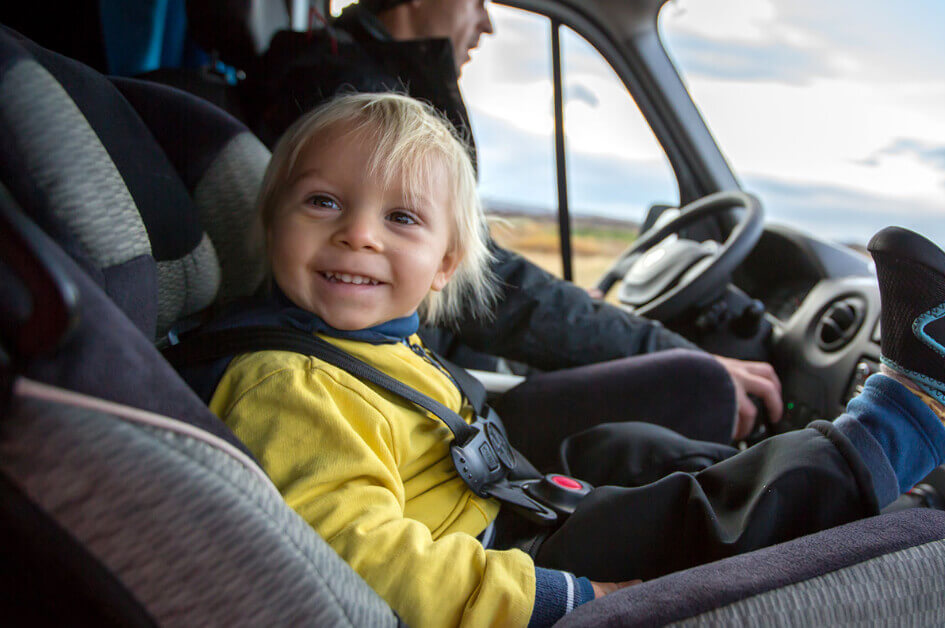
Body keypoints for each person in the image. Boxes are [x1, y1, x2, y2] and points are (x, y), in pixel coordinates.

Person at [196, 92, 945, 627]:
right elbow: (359, 559)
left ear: (444, 266)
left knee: (633, 452)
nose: (358, 234)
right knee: (691, 510)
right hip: (507, 571)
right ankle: (918, 411)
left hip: (506, 512)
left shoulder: (364, 346)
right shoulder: (287, 382)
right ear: (273, 226)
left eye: (400, 218)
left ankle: (825, 492)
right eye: (323, 202)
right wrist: (564, 595)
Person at [242, 0, 784, 452]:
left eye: (402, 217)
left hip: (450, 384)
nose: (487, 22)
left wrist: (593, 311)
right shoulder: (345, 99)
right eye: (477, 0)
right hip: (447, 409)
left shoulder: (366, 81)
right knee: (699, 387)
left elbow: (487, 283)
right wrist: (673, 352)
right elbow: (495, 291)